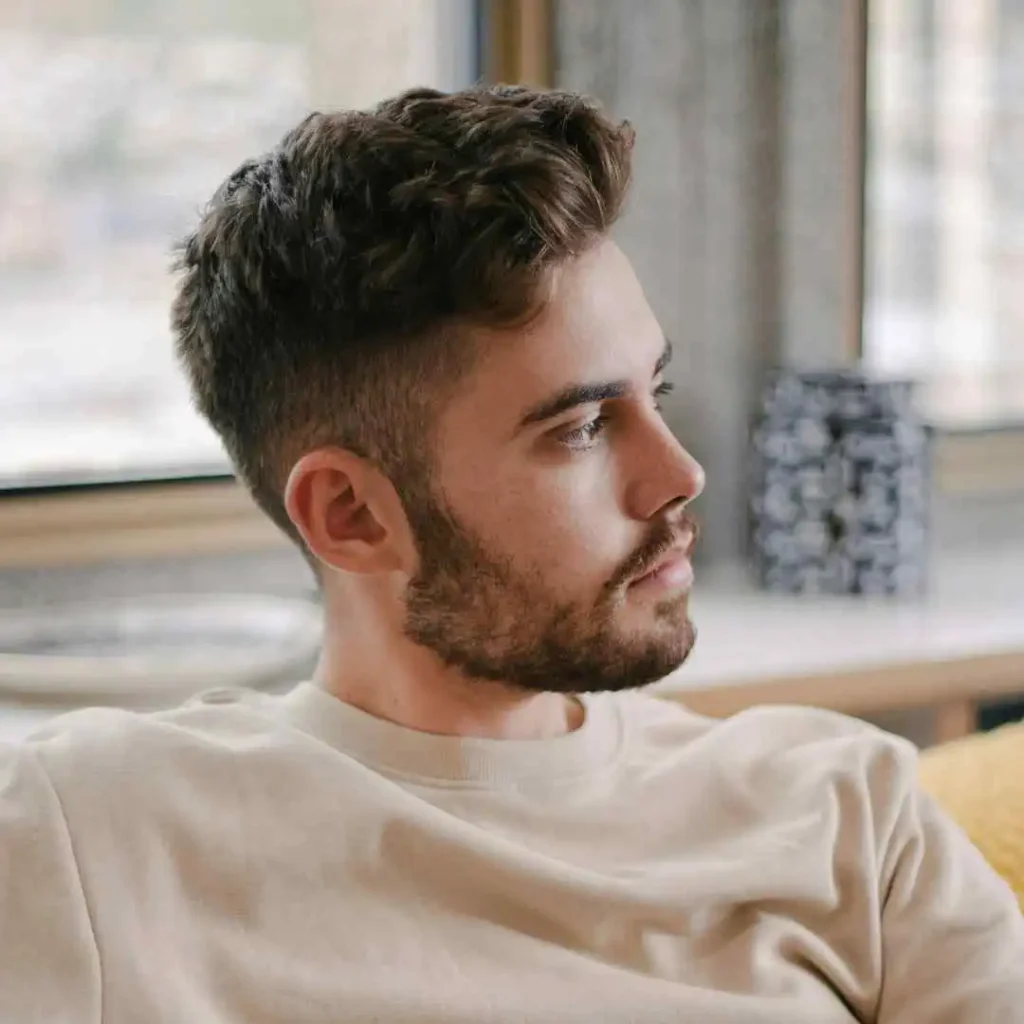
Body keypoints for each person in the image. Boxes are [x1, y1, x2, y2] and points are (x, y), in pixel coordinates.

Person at [1, 85, 1021, 1024]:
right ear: (351, 514)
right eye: (579, 428)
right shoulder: (89, 838)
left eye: (651, 396)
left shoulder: (848, 813)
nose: (677, 474)